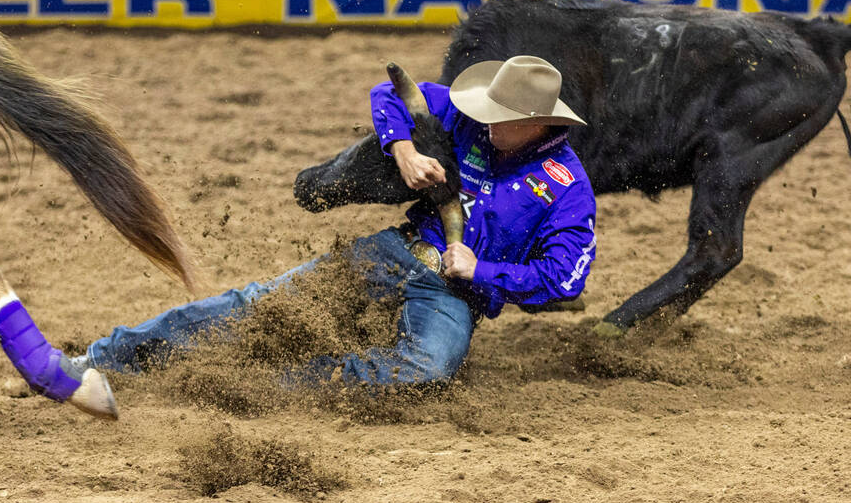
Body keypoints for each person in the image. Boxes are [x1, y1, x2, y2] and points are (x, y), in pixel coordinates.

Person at [73, 55, 597, 387]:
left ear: (536, 124)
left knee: (429, 370)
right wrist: (404, 150)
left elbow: (565, 278)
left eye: (498, 117)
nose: (483, 120)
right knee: (259, 303)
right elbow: (388, 92)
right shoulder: (465, 117)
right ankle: (104, 356)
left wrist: (479, 271)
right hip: (402, 248)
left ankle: (268, 384)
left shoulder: (569, 190)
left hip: (454, 293)